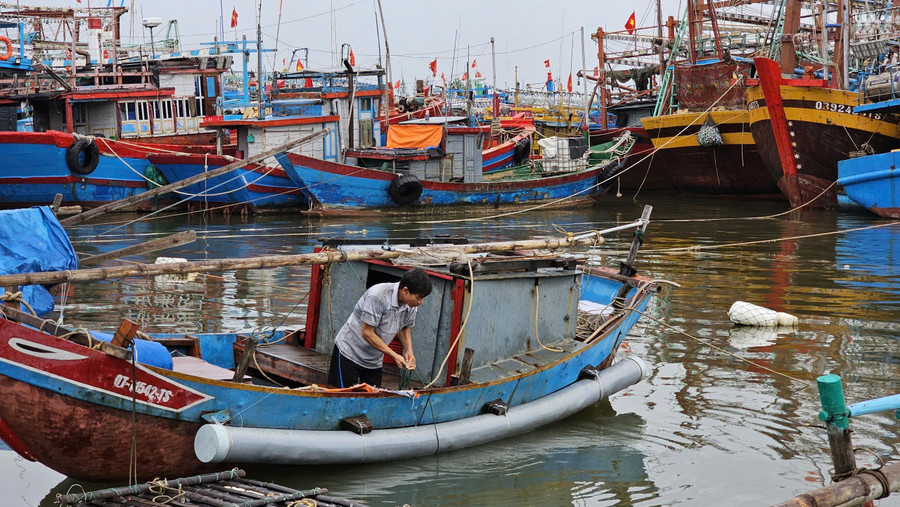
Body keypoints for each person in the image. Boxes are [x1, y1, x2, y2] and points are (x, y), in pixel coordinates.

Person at [327, 267, 432, 388]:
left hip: (374, 361)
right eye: (418, 298)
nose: (421, 302)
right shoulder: (378, 296)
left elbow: (404, 327)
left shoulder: (411, 305)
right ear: (405, 290)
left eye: (423, 298)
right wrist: (394, 355)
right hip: (349, 353)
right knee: (342, 398)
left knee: (372, 400)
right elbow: (367, 333)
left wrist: (409, 351)